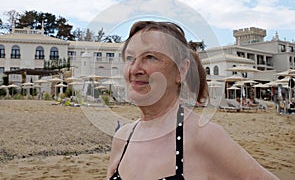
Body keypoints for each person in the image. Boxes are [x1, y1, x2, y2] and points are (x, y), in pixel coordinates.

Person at [107, 21, 279, 180]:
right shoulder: (122, 138)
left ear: (181, 70)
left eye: (150, 57)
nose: (135, 69)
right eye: (130, 58)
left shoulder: (203, 137)